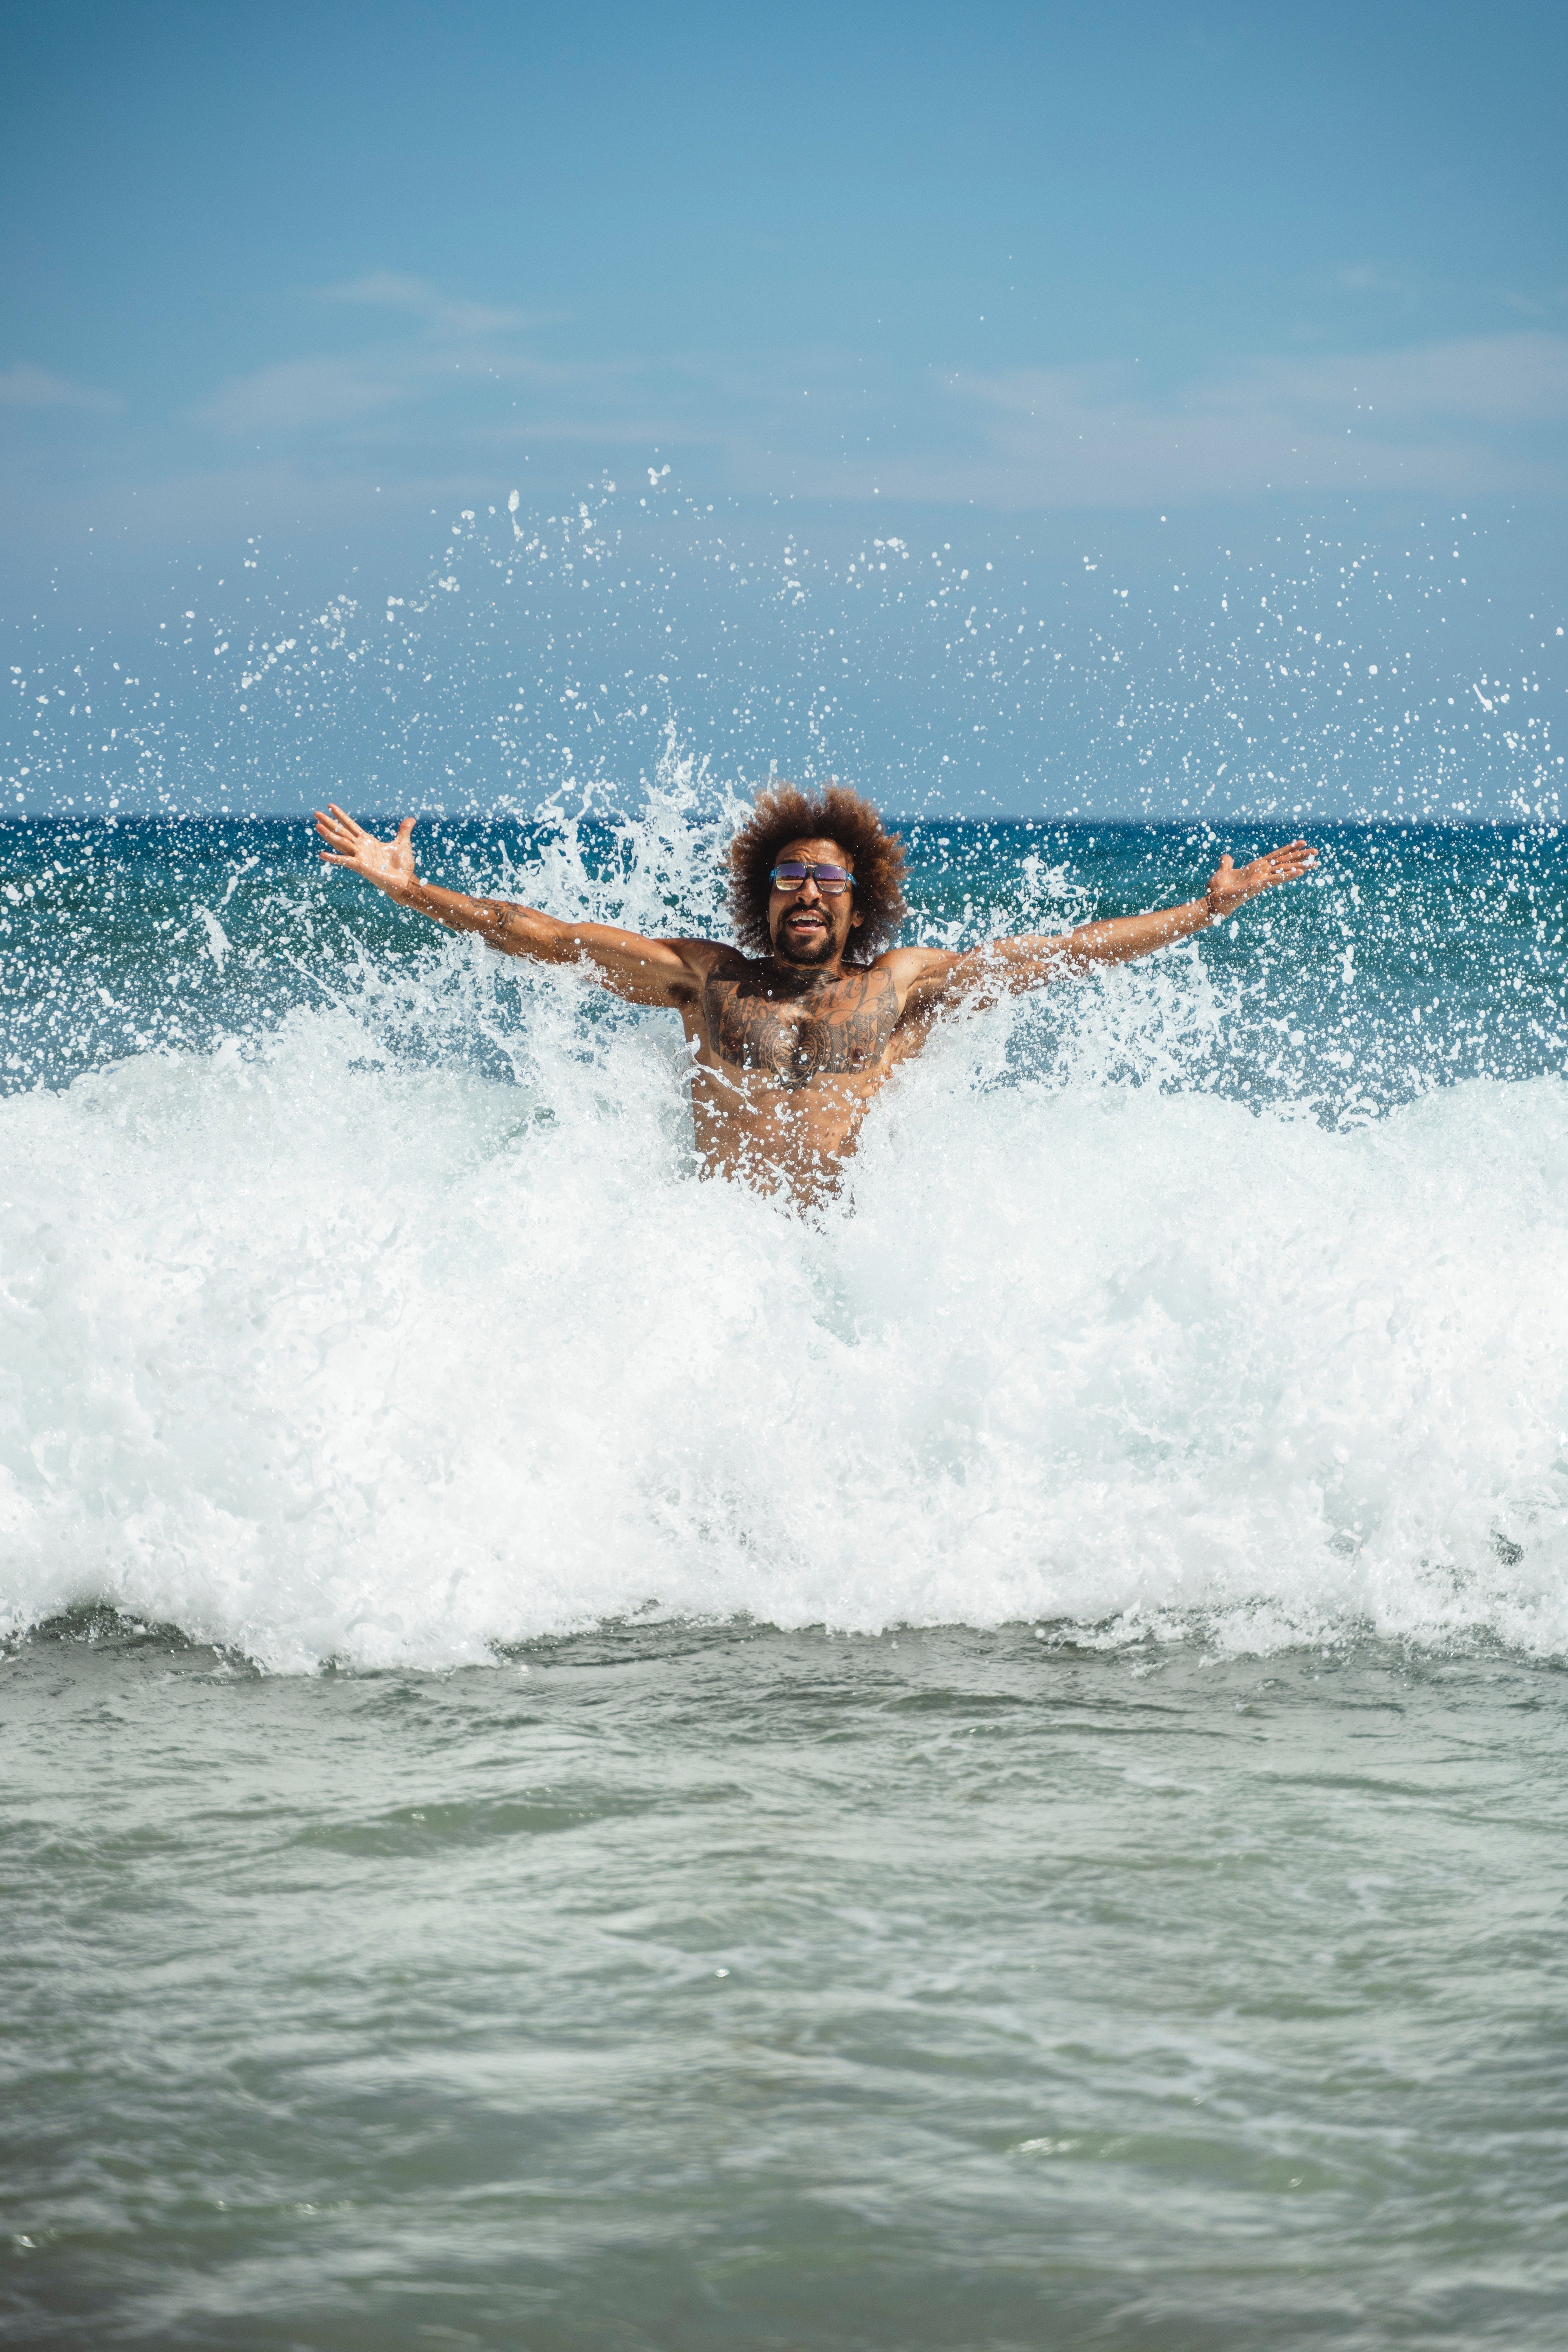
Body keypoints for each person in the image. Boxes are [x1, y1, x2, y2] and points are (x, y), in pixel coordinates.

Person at [314, 785, 1314, 1202]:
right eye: (788, 879)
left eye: (828, 881)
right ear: (762, 898)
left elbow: (1059, 954)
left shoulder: (903, 986)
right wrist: (414, 891)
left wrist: (1201, 911)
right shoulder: (705, 980)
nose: (806, 891)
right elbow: (542, 935)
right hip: (719, 1259)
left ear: (858, 901)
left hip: (847, 1263)